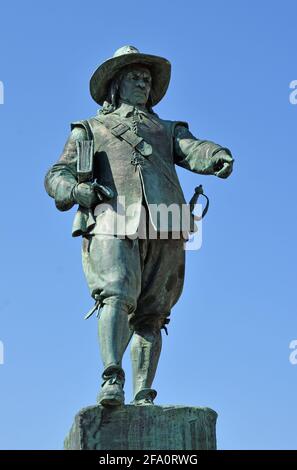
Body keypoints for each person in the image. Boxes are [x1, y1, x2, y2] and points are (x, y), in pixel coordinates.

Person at [45, 45, 234, 407]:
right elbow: (56, 175)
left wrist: (216, 156)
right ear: (115, 84)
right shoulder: (90, 128)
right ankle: (112, 378)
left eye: (146, 79)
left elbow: (194, 149)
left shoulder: (167, 129)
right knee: (115, 292)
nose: (142, 82)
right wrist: (77, 189)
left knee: (153, 311)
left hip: (166, 223)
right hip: (111, 218)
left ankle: (144, 394)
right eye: (134, 76)